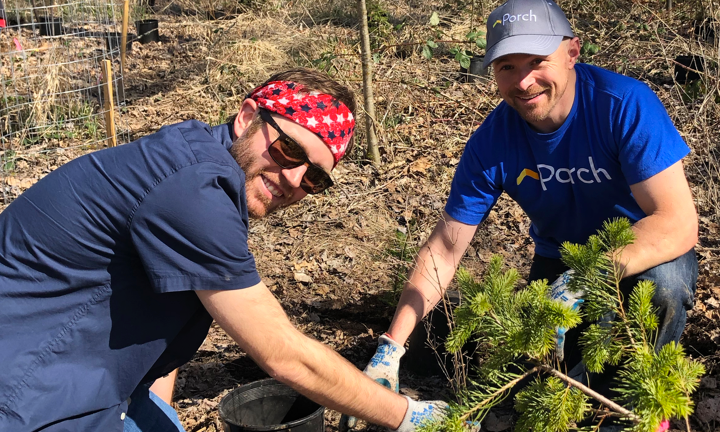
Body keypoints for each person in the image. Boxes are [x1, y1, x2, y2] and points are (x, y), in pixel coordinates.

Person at [0, 69, 446, 432]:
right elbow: (284, 356)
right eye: (289, 149)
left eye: (315, 178)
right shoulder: (193, 192)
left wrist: (158, 412)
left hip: (74, 380)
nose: (295, 180)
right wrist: (407, 416)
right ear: (247, 115)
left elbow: (169, 297)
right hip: (25, 398)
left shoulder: (198, 159)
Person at [342, 0, 698, 427]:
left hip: (642, 248)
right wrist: (392, 346)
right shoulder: (492, 142)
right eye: (506, 66)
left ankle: (649, 409)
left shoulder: (623, 105)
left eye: (537, 61)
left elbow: (677, 222)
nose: (524, 81)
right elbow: (444, 249)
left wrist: (590, 275)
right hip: (558, 259)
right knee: (555, 393)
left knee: (663, 287)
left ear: (572, 53)